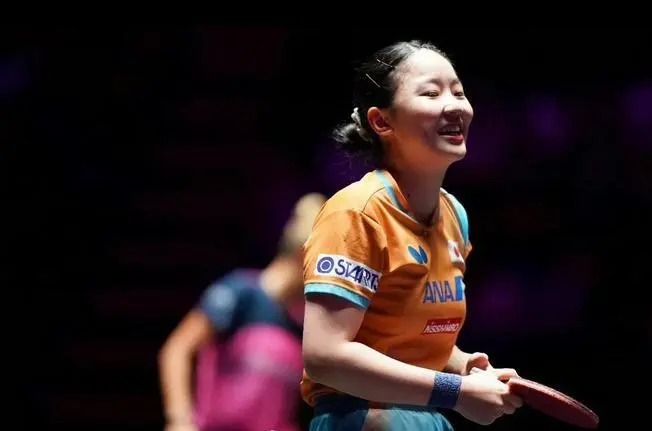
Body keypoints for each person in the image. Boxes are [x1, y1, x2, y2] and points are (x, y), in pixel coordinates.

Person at [301, 40, 524, 430]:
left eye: (458, 92)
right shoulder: (357, 213)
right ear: (381, 122)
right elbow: (325, 356)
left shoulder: (454, 216)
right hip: (362, 418)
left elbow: (402, 339)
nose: (455, 106)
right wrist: (456, 392)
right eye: (431, 93)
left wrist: (464, 366)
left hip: (424, 417)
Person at [159, 193, 327, 431]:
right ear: (304, 255)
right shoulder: (240, 292)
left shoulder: (307, 325)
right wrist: (179, 421)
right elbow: (178, 349)